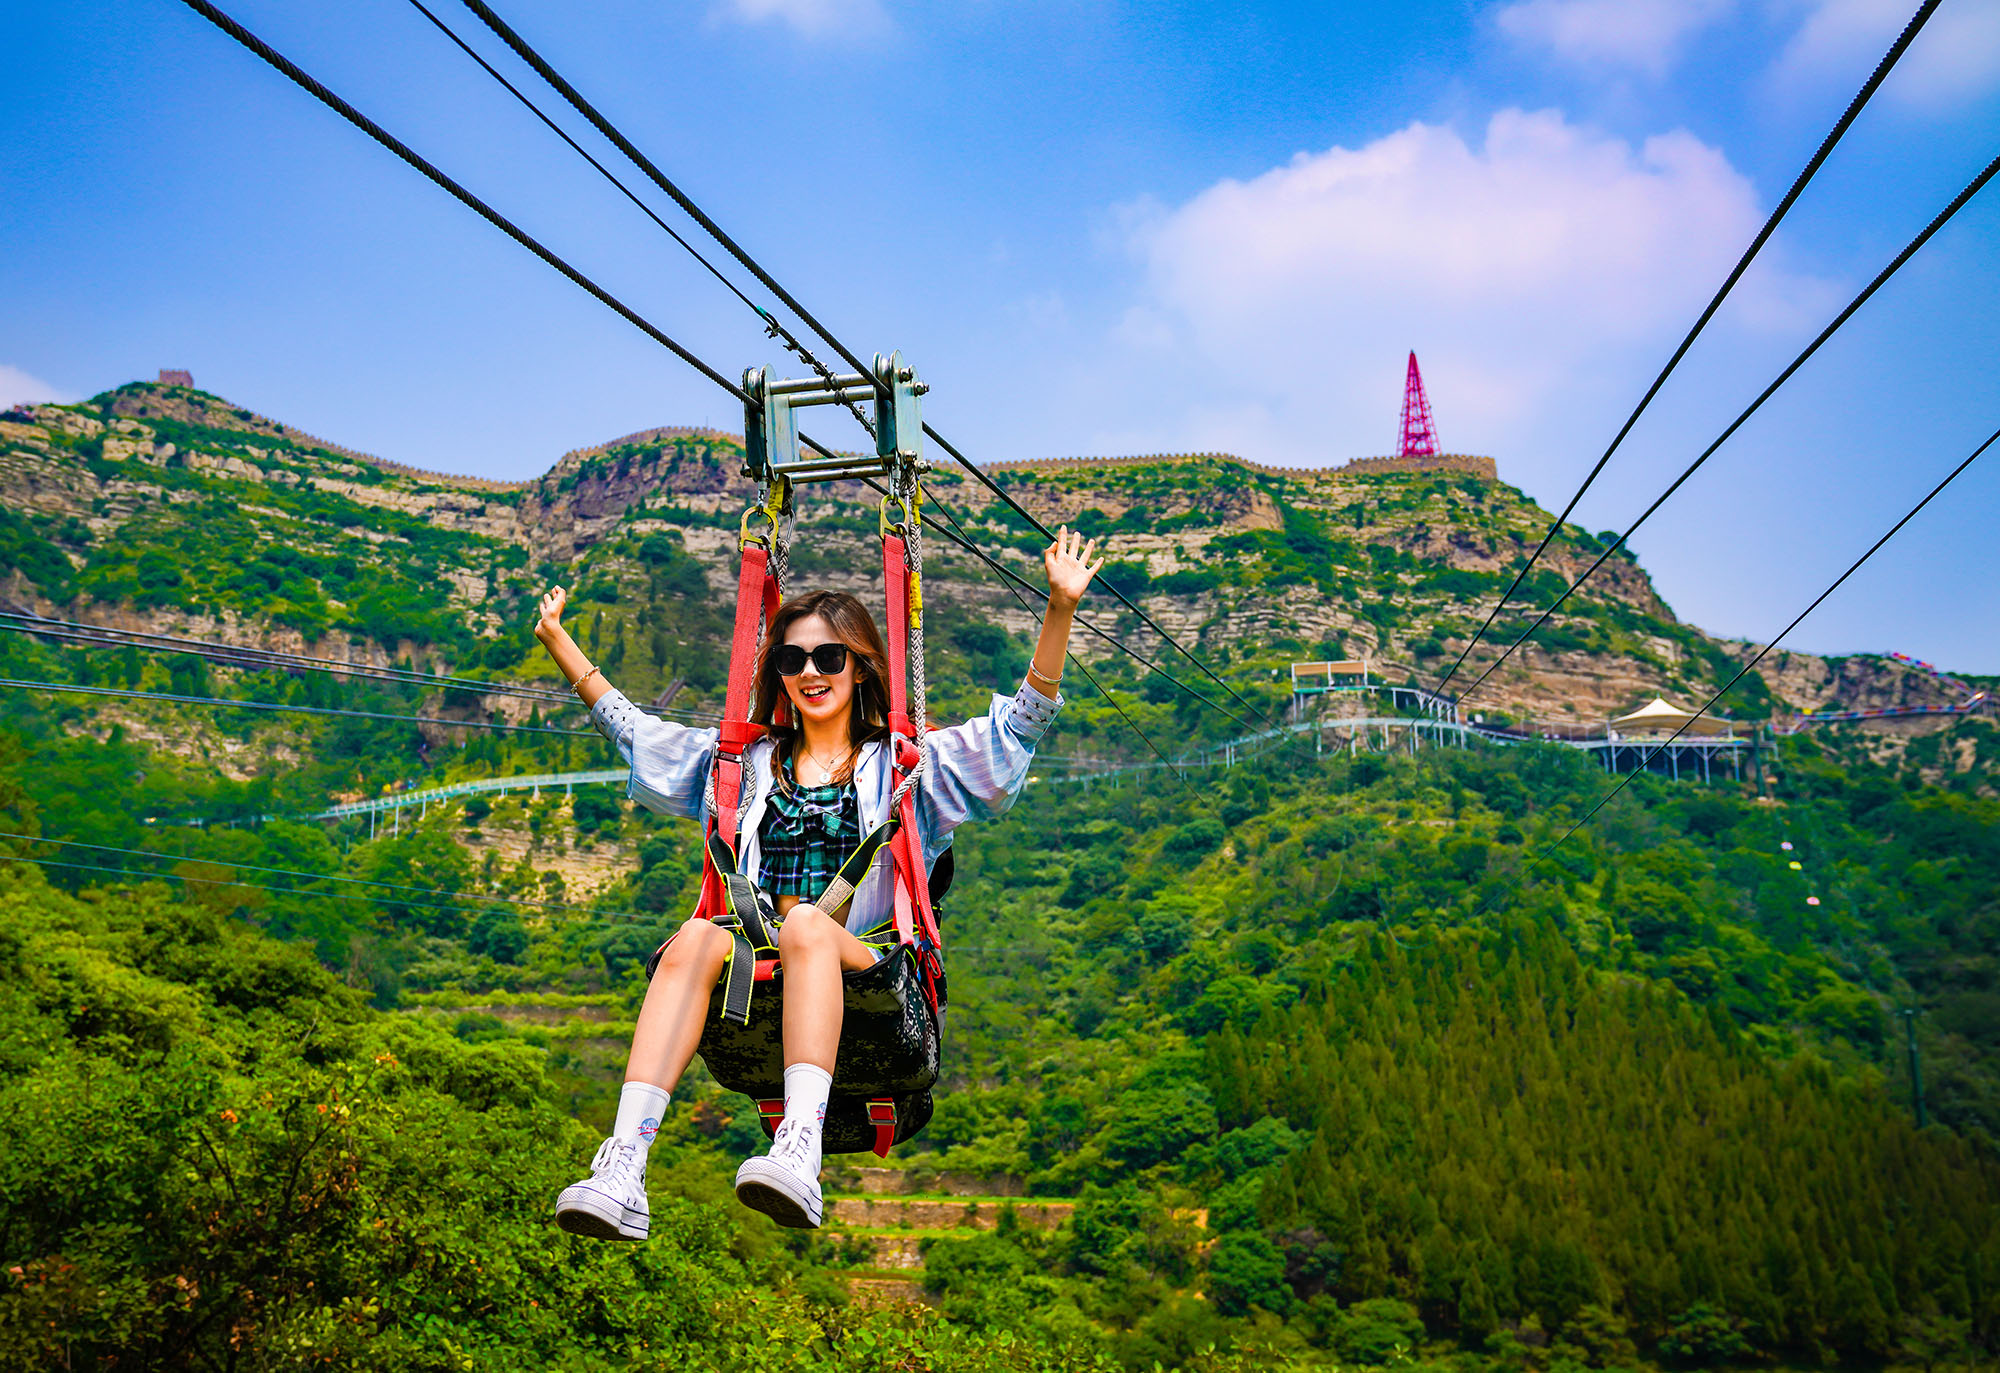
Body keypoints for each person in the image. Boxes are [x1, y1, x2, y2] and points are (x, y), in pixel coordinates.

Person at [533, 528, 1102, 1237]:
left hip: (876, 973)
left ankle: (799, 1150)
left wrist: (1059, 609)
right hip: (765, 970)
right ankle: (625, 1163)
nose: (810, 671)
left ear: (859, 666)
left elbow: (1016, 731)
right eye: (793, 658)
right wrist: (560, 643)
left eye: (829, 656)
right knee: (693, 937)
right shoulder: (743, 766)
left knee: (808, 924)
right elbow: (637, 734)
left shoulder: (904, 765)